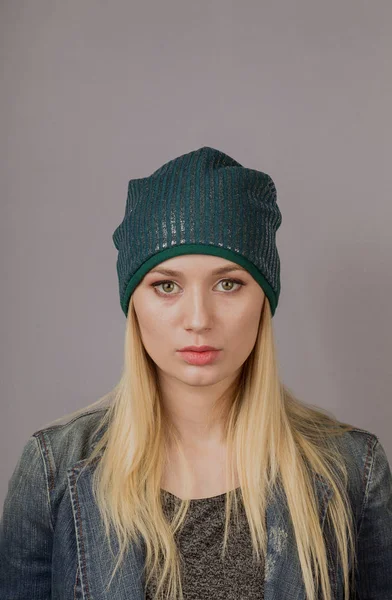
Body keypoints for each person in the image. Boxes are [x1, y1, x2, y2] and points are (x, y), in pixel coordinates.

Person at [0, 146, 391, 600]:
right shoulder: (54, 468)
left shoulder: (352, 470)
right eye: (166, 286)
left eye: (229, 284)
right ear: (134, 305)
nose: (199, 318)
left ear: (264, 300)